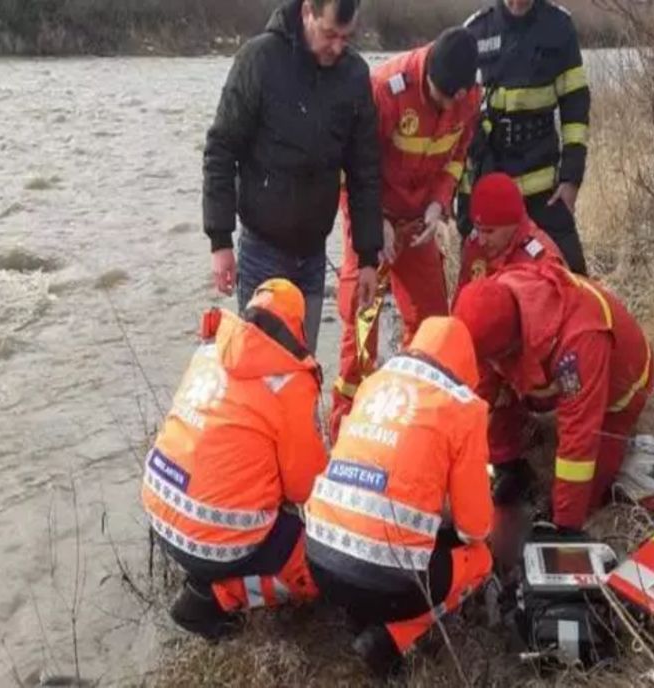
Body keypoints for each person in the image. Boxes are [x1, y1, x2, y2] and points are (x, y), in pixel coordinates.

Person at [306, 317, 494, 676]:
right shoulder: (463, 408)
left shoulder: (373, 383)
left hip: (320, 561)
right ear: (467, 366)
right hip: (388, 582)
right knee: (480, 559)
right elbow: (475, 528)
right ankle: (390, 639)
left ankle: (356, 614)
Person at [142, 279, 327, 640]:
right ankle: (216, 595)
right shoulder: (290, 382)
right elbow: (305, 487)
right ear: (297, 329)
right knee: (321, 570)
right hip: (215, 538)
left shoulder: (208, 350)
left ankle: (207, 576)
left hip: (159, 513)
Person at [202, 0, 383, 353]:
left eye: (346, 37)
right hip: (262, 249)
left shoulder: (355, 75)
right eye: (330, 34)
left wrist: (368, 257)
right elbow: (221, 149)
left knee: (301, 366)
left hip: (313, 253)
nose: (337, 47)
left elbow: (364, 171)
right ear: (306, 13)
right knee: (259, 366)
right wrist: (220, 240)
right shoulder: (259, 60)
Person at [329, 27, 481, 441]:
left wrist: (439, 202)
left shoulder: (468, 96)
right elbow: (351, 168)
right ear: (427, 71)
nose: (448, 105)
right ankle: (346, 431)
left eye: (456, 98)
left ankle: (418, 425)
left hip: (419, 224)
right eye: (440, 96)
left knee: (433, 325)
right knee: (362, 325)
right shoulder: (385, 90)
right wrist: (372, 223)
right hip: (372, 221)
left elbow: (458, 154)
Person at [453, 263, 654, 532]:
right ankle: (509, 464)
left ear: (512, 344)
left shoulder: (579, 342)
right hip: (548, 363)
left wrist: (565, 526)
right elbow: (477, 392)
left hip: (619, 390)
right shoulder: (495, 296)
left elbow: (578, 440)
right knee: (496, 396)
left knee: (590, 483)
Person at [460, 0, 591, 275]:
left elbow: (575, 107)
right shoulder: (476, 31)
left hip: (546, 191)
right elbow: (458, 122)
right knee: (484, 291)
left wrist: (571, 178)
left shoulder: (559, 27)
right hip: (491, 187)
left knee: (573, 279)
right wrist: (462, 200)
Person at [457, 171, 565, 289]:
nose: (481, 241)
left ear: (512, 225)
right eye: (478, 230)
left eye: (489, 231)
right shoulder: (474, 247)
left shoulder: (542, 264)